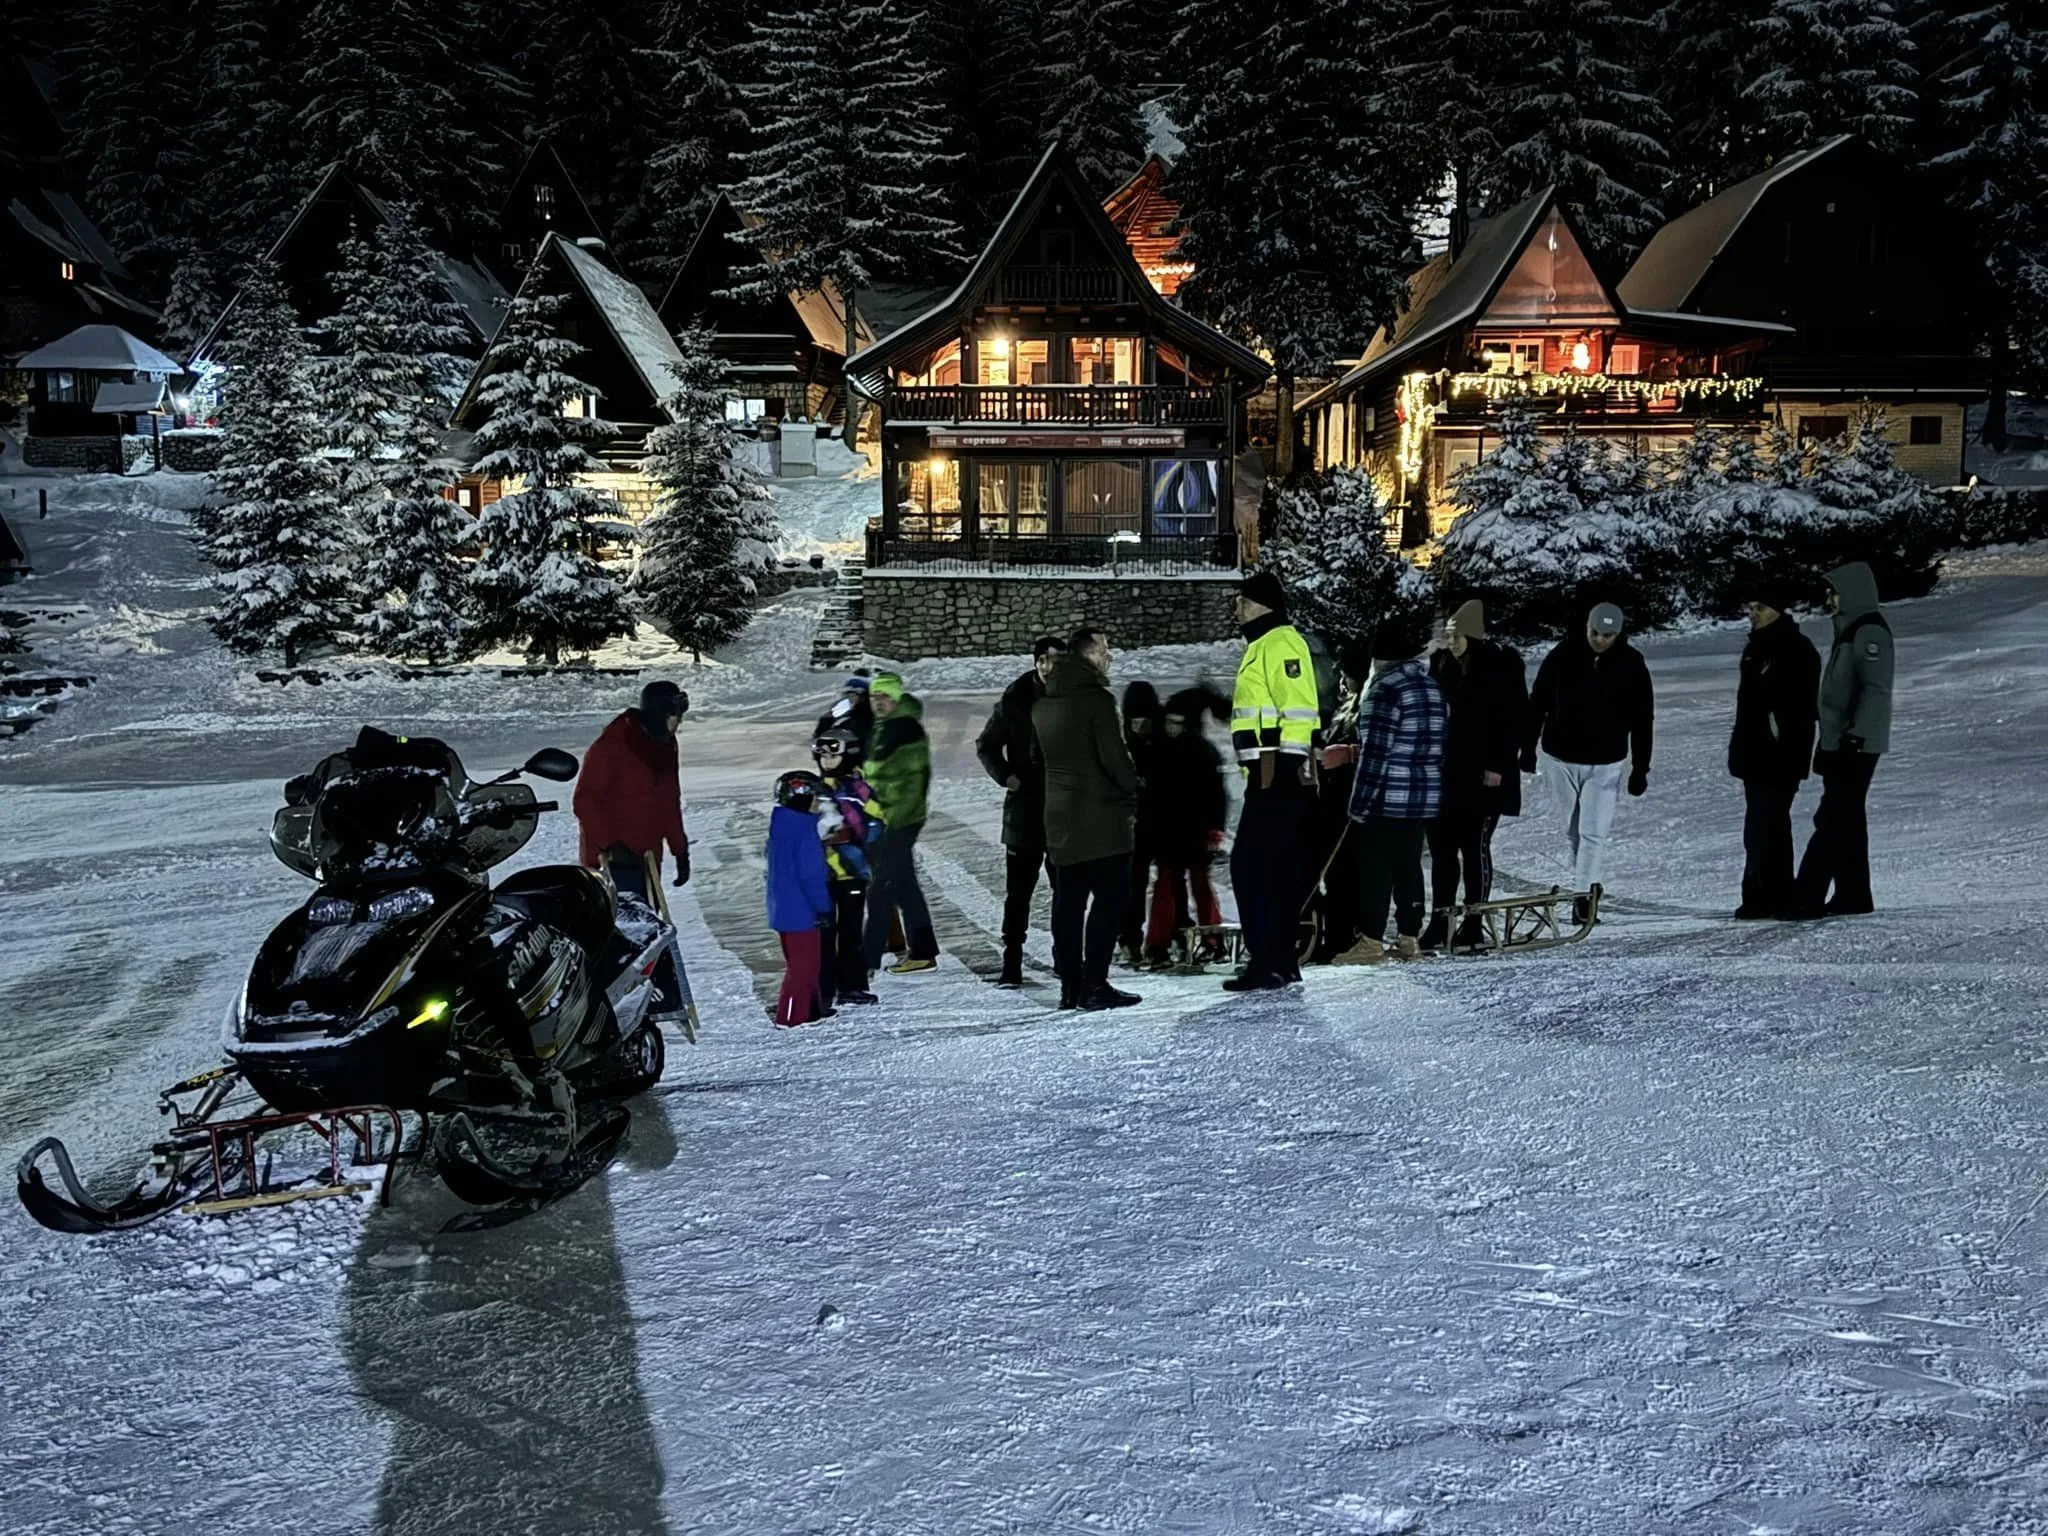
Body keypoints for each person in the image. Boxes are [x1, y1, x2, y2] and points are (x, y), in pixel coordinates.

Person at [1521, 601, 1654, 920]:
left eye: (1607, 635)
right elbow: (1538, 701)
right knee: (1573, 831)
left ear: (1618, 634)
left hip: (1606, 762)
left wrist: (1640, 767)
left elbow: (1642, 718)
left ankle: (1583, 898)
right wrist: (1527, 747)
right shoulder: (1562, 655)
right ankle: (1590, 883)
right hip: (1560, 759)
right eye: (1594, 632)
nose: (1599, 639)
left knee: (1593, 831)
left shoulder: (1632, 663)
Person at [1032, 627, 1142, 1010]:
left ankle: (1070, 986)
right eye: (1104, 650)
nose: (1109, 656)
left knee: (1068, 901)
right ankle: (1095, 983)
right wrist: (1135, 788)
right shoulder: (1096, 701)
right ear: (1088, 656)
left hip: (1060, 817)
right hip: (1101, 819)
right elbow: (1115, 762)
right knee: (1112, 898)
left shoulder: (1044, 702)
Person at [573, 681, 692, 1025]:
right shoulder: (611, 747)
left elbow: (669, 801)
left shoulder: (665, 746)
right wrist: (611, 844)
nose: (678, 724)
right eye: (673, 716)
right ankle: (617, 1007)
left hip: (646, 858)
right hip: (612, 861)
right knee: (624, 934)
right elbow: (585, 801)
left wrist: (680, 848)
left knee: (647, 932)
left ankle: (643, 1002)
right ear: (657, 714)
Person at [1225, 569, 1319, 992]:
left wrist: (1287, 763)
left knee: (1250, 868)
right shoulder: (1265, 644)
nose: (1236, 607)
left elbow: (1298, 707)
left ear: (1262, 604)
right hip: (1267, 775)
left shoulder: (1280, 643)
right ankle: (1279, 959)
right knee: (1274, 870)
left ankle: (1268, 959)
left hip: (1274, 776)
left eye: (1243, 600)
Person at [1335, 617, 1446, 964]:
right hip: (1422, 795)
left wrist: (1359, 802)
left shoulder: (1383, 690)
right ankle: (1409, 937)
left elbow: (1375, 753)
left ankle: (1370, 939)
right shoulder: (1431, 687)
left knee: (1375, 869)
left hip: (1388, 796)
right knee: (1408, 865)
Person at [1791, 562, 1894, 917]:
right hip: (1843, 741)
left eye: (1833, 592)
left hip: (1857, 744)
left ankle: (1806, 895)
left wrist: (1855, 737)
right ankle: (1853, 894)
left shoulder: (1869, 633)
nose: (1829, 599)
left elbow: (1875, 689)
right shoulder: (1850, 630)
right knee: (1847, 818)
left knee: (1833, 818)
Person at [1426, 600, 1528, 949]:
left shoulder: (1500, 667)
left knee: (1474, 845)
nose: (1451, 641)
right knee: (1442, 848)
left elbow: (1513, 720)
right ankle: (1441, 918)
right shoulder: (1440, 666)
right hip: (1448, 773)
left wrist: (1498, 765)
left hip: (1484, 774)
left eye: (1458, 635)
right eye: (1448, 634)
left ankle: (1474, 918)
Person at [1726, 584, 1823, 919]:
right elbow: (1747, 707)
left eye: (1761, 608)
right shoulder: (1754, 649)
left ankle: (1771, 895)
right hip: (1755, 753)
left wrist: (1784, 743)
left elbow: (1800, 708)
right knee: (1763, 825)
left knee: (1766, 824)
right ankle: (1764, 894)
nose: (1753, 615)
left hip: (1780, 754)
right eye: (1751, 607)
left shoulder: (1797, 649)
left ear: (1779, 611)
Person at [974, 635, 1065, 986]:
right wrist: (1006, 776)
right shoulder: (1015, 697)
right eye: (1042, 659)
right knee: (1019, 894)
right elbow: (987, 744)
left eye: (1055, 659)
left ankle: (1065, 955)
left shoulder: (1074, 697)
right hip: (1025, 809)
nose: (1047, 665)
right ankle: (1012, 960)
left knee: (1066, 891)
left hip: (1063, 810)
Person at [1145, 688, 1230, 965]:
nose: (1172, 727)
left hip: (1187, 832)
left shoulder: (1196, 753)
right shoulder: (1185, 751)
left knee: (1191, 885)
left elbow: (1216, 797)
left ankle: (1208, 939)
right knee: (1174, 885)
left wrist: (1214, 828)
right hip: (1175, 831)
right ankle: (1174, 941)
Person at [862, 672, 940, 975]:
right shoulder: (883, 727)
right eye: (875, 697)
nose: (879, 702)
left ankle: (864, 963)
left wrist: (893, 824)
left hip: (899, 821)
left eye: (885, 697)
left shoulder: (906, 729)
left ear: (896, 698)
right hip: (884, 819)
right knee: (905, 886)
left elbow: (914, 782)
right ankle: (923, 951)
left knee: (881, 889)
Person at [813, 730, 882, 1003]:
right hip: (820, 874)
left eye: (833, 754)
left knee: (851, 931)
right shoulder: (814, 789)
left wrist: (855, 835)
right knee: (823, 932)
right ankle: (822, 988)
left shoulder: (860, 790)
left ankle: (852, 985)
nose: (827, 760)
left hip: (852, 873)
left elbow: (878, 824)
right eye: (823, 755)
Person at [765, 771, 834, 1028]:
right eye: (816, 797)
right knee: (803, 967)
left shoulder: (783, 826)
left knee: (806, 962)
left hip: (784, 907)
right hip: (800, 910)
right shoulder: (805, 832)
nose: (819, 803)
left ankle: (811, 1009)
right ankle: (791, 1016)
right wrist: (823, 907)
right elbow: (811, 875)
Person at [1119, 679, 1166, 965]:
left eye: (1145, 720)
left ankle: (1167, 937)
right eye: (1135, 721)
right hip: (1135, 825)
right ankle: (1129, 939)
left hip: (1161, 821)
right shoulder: (1122, 741)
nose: (1140, 726)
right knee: (1133, 885)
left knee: (1168, 883)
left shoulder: (1164, 741)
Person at [814, 674, 873, 757]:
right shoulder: (843, 717)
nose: (848, 699)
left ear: (864, 697)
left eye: (852, 695)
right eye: (846, 695)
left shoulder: (869, 720)